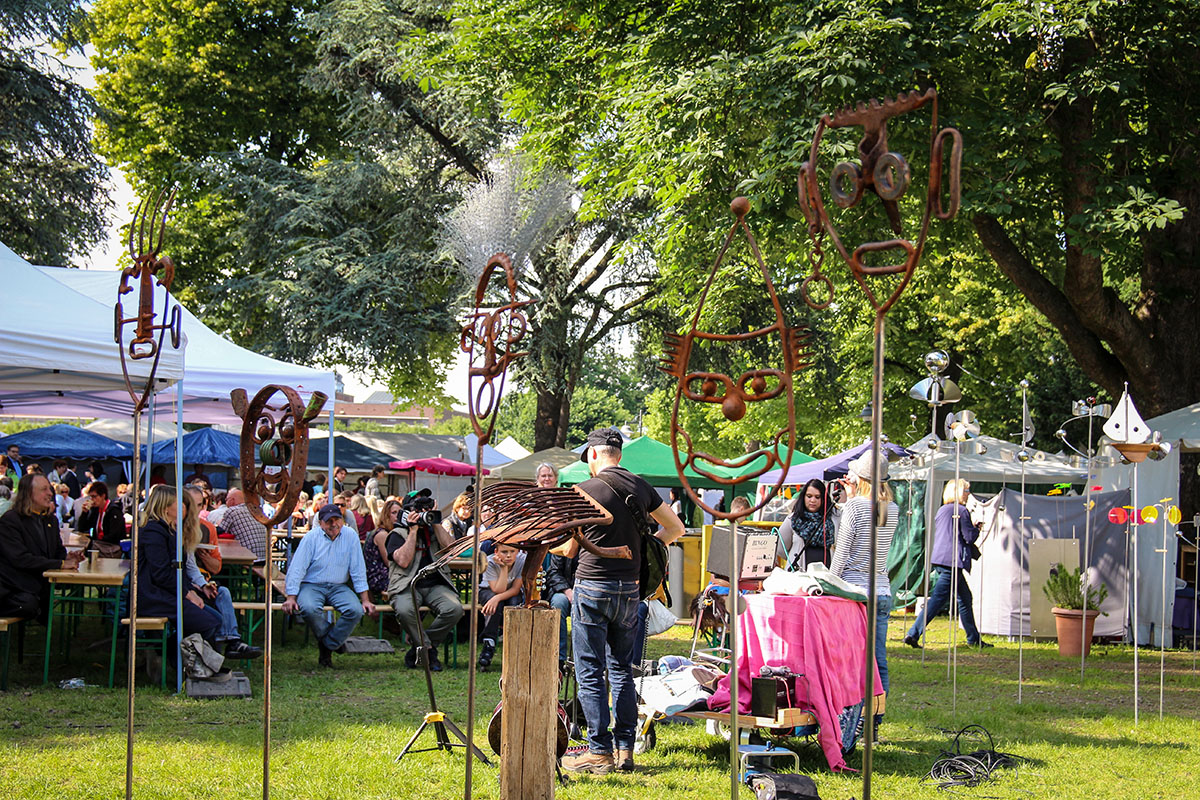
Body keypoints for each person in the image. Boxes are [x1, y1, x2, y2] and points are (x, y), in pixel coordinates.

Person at [559, 428, 685, 776]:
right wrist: (648, 546)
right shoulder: (640, 486)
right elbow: (675, 529)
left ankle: (598, 752)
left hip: (592, 586)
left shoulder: (583, 491)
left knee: (589, 670)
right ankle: (625, 749)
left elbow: (569, 549)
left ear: (594, 454)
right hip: (629, 589)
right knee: (621, 670)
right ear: (619, 454)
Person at [828, 451, 898, 738]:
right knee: (878, 660)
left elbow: (843, 555)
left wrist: (827, 583)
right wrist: (852, 494)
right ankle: (874, 723)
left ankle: (853, 720)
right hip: (881, 589)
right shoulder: (890, 508)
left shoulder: (854, 508)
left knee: (853, 661)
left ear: (861, 478)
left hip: (855, 593)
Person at [281, 504, 376, 668]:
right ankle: (331, 640)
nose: (334, 524)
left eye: (337, 519)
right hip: (311, 584)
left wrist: (365, 599)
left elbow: (358, 569)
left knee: (355, 610)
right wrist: (291, 596)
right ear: (321, 523)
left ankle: (328, 643)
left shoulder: (351, 536)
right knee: (309, 608)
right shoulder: (311, 538)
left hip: (338, 586)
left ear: (342, 520)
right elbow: (297, 568)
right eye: (329, 521)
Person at [904, 479, 991, 650]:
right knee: (937, 600)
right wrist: (976, 529)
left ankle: (974, 638)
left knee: (965, 598)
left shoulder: (942, 510)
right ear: (958, 492)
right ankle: (913, 634)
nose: (968, 494)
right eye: (966, 491)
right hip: (953, 562)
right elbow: (968, 537)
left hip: (941, 559)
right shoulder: (962, 511)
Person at [385, 489, 462, 671]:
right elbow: (403, 561)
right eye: (418, 509)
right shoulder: (397, 534)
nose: (422, 513)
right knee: (404, 610)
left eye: (425, 508)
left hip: (435, 583)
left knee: (454, 609)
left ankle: (420, 647)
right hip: (407, 585)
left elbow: (452, 548)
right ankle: (428, 650)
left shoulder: (434, 530)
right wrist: (413, 531)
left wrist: (435, 522)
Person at [136, 485, 223, 646]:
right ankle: (182, 660)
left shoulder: (168, 530)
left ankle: (198, 663)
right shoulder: (153, 532)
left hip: (167, 593)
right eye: (179, 503)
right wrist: (188, 594)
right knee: (208, 623)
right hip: (153, 596)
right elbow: (162, 573)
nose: (184, 506)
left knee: (215, 618)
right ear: (166, 507)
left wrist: (190, 590)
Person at [179, 489, 260, 659]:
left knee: (222, 592)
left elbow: (216, 568)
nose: (195, 509)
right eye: (191, 504)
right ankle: (217, 650)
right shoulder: (175, 527)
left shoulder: (207, 528)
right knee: (214, 611)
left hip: (200, 582)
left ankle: (232, 642)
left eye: (199, 505)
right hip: (180, 586)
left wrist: (205, 565)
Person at [0, 474, 83, 621]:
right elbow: (20, 559)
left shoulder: (50, 520)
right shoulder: (11, 521)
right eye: (44, 489)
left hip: (38, 585)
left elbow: (57, 550)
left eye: (49, 489)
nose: (50, 493)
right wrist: (60, 563)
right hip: (13, 586)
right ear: (29, 493)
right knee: (28, 604)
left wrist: (66, 557)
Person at [476, 542, 526, 668]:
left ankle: (515, 646)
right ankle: (489, 644)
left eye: (512, 551)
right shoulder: (490, 562)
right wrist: (503, 568)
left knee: (515, 604)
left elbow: (515, 589)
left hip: (510, 593)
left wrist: (497, 598)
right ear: (496, 552)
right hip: (489, 590)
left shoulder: (522, 560)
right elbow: (497, 589)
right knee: (494, 606)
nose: (509, 555)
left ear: (518, 551)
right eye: (504, 552)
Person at [778, 478, 836, 570]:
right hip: (799, 577)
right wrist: (793, 557)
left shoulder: (833, 519)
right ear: (803, 497)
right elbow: (780, 548)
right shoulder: (793, 519)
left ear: (823, 499)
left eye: (817, 497)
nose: (813, 500)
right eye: (809, 496)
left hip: (827, 575)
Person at [77, 481, 127, 559]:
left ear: (103, 496)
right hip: (98, 546)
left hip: (111, 548)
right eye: (91, 497)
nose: (92, 500)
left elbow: (115, 535)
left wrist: (97, 540)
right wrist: (84, 513)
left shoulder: (113, 511)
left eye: (94, 497)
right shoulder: (96, 510)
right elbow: (82, 528)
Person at [545, 551, 577, 671]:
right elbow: (553, 572)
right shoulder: (564, 544)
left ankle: (583, 659)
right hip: (564, 590)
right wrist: (568, 592)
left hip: (588, 591)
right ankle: (559, 658)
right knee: (558, 602)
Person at [216, 488, 268, 559]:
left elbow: (220, 532)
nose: (226, 503)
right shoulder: (257, 510)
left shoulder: (232, 511)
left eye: (226, 500)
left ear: (232, 501)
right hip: (264, 557)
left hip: (247, 558)